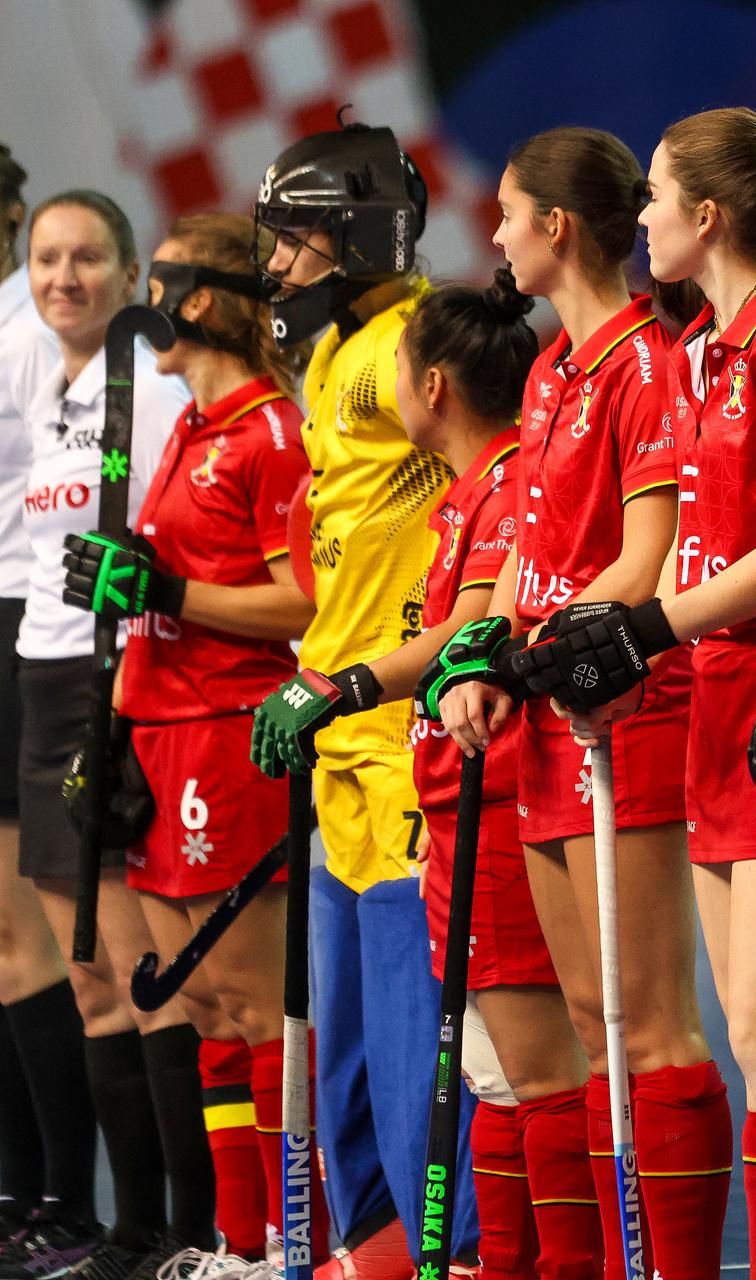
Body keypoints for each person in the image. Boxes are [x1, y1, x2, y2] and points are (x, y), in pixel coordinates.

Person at [511, 107, 756, 1279]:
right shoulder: (709, 347)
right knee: (753, 1040)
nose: (643, 216)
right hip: (714, 694)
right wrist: (617, 642)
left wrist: (646, 624)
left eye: (657, 195)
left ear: (707, 217)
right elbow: (695, 544)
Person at [428, 126, 730, 1280]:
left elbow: (647, 556)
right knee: (596, 1023)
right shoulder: (553, 366)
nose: (496, 234)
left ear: (554, 227)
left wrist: (537, 653)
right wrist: (484, 651)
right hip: (549, 714)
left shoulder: (649, 363)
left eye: (508, 212)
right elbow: (529, 550)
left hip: (624, 712)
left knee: (650, 1023)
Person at [246, 122, 478, 1279]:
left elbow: (498, 477)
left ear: (357, 238)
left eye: (295, 240)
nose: (276, 265)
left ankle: (459, 1250)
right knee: (339, 1045)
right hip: (333, 733)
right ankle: (373, 1247)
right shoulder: (335, 351)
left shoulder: (407, 346)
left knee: (405, 1036)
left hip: (397, 737)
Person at [62, 212, 313, 1275]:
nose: (145, 301)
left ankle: (287, 1245)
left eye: (159, 279)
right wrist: (110, 732)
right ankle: (235, 1244)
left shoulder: (271, 433)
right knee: (200, 1006)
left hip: (226, 736)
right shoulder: (191, 427)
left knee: (253, 1008)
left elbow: (302, 602)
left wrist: (166, 590)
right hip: (158, 736)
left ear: (200, 299)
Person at [386, 278, 598, 1280]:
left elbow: (470, 638)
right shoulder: (467, 493)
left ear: (432, 384)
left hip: (504, 803)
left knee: (539, 1070)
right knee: (494, 1069)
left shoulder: (511, 484)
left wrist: (342, 685)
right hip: (453, 807)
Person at [11, 189, 200, 1278]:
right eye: (46, 259)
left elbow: (176, 557)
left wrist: (125, 698)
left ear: (130, 276)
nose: (63, 278)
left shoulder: (155, 392)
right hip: (43, 684)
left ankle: (184, 1229)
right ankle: (124, 1231)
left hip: (118, 690)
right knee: (86, 977)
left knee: (144, 973)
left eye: (86, 258)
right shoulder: (57, 385)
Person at [0, 143, 99, 1275]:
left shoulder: (34, 332)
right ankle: (20, 1189)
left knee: (27, 938)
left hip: (24, 635)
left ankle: (63, 1197)